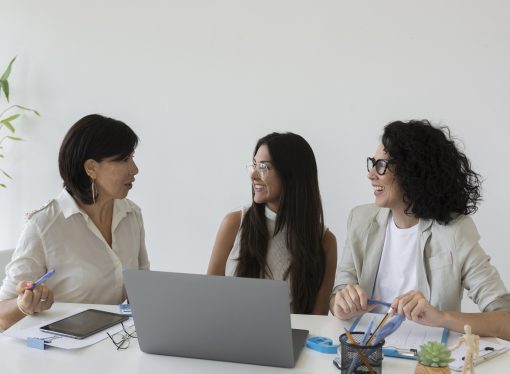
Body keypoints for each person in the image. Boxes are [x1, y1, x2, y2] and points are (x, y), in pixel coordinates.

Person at [331, 120, 510, 340]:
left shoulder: (455, 232)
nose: (371, 175)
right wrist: (340, 303)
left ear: (412, 172)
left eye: (381, 166)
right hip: (364, 351)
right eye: (372, 163)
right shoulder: (360, 219)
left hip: (427, 360)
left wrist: (442, 317)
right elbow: (338, 293)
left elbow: (506, 320)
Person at [0, 114, 150, 330]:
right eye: (124, 159)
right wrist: (25, 305)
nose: (134, 169)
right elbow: (2, 315)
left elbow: (142, 293)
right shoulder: (44, 225)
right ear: (91, 168)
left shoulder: (131, 215)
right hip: (62, 354)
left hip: (115, 343)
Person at [207, 132, 337, 314]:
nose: (253, 174)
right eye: (254, 165)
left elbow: (318, 323)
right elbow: (208, 301)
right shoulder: (234, 223)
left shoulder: (325, 241)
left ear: (291, 175)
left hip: (291, 341)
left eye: (263, 167)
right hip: (229, 339)